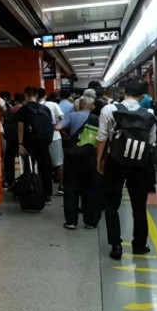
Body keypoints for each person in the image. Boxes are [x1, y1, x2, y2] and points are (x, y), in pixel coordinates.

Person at [97, 77, 157, 260]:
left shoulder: (109, 110)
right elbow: (151, 142)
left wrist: (99, 160)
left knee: (111, 204)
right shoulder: (149, 114)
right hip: (140, 165)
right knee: (139, 205)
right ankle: (139, 245)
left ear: (124, 91)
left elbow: (102, 138)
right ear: (143, 96)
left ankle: (116, 245)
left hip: (115, 162)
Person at [60, 96, 100, 229]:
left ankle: (71, 222)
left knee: (71, 188)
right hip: (91, 157)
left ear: (79, 105)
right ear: (92, 107)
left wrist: (66, 134)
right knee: (90, 188)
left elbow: (57, 126)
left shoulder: (72, 116)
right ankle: (90, 221)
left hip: (73, 156)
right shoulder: (97, 119)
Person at [17, 87, 54, 205]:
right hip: (43, 143)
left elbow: (20, 128)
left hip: (28, 144)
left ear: (26, 95)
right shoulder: (45, 109)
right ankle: (47, 195)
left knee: (29, 168)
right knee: (45, 168)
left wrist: (20, 144)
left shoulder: (23, 110)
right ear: (37, 95)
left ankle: (30, 191)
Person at [38, 87, 64, 195]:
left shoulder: (34, 106)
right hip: (54, 137)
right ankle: (61, 186)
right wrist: (57, 127)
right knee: (59, 163)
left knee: (42, 164)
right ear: (45, 95)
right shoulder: (53, 105)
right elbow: (62, 118)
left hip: (39, 139)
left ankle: (41, 187)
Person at [2, 93, 23, 189]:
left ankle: (10, 181)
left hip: (9, 138)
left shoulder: (9, 110)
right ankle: (19, 181)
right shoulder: (21, 109)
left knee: (10, 160)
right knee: (20, 160)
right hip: (18, 139)